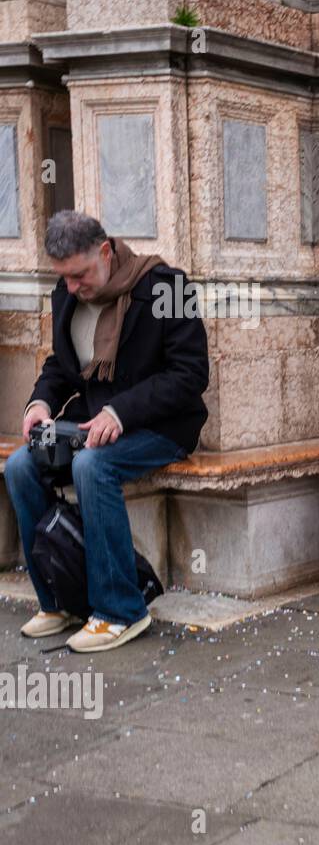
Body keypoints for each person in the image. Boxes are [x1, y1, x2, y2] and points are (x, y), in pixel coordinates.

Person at [5, 210, 208, 652]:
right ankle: (58, 600)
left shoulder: (167, 287)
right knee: (20, 465)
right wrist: (39, 403)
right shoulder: (67, 293)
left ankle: (122, 610)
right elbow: (60, 366)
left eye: (79, 275)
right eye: (65, 278)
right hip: (93, 421)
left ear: (104, 251)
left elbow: (190, 375)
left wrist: (121, 412)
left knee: (93, 465)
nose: (72, 287)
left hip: (161, 425)